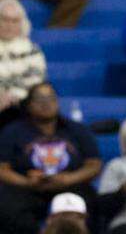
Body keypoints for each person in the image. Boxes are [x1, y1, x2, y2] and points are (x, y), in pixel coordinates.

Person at [0, 82, 101, 232]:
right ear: (28, 104)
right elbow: (3, 168)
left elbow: (94, 164)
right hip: (27, 189)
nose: (46, 104)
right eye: (40, 99)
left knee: (91, 201)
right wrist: (26, 182)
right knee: (6, 203)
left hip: (70, 186)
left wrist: (68, 179)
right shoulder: (13, 131)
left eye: (50, 98)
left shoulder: (76, 129)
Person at [0, 0, 46, 127]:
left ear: (22, 24)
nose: (9, 25)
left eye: (14, 21)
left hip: (21, 106)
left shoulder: (32, 50)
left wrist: (12, 96)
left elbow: (35, 82)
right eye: (4, 19)